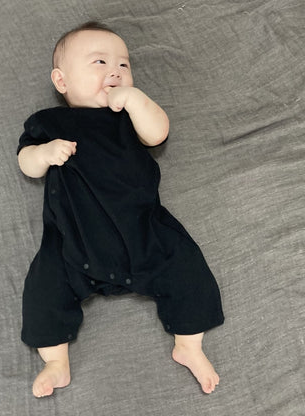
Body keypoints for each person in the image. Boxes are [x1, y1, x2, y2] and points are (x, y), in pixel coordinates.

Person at [17, 21, 224, 398]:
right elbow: (26, 163)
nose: (115, 71)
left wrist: (136, 100)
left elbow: (158, 133)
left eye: (124, 65)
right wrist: (44, 153)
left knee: (187, 268)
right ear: (62, 81)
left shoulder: (129, 116)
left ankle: (189, 345)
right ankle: (56, 361)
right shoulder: (50, 123)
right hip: (73, 239)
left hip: (144, 230)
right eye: (99, 62)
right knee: (44, 288)